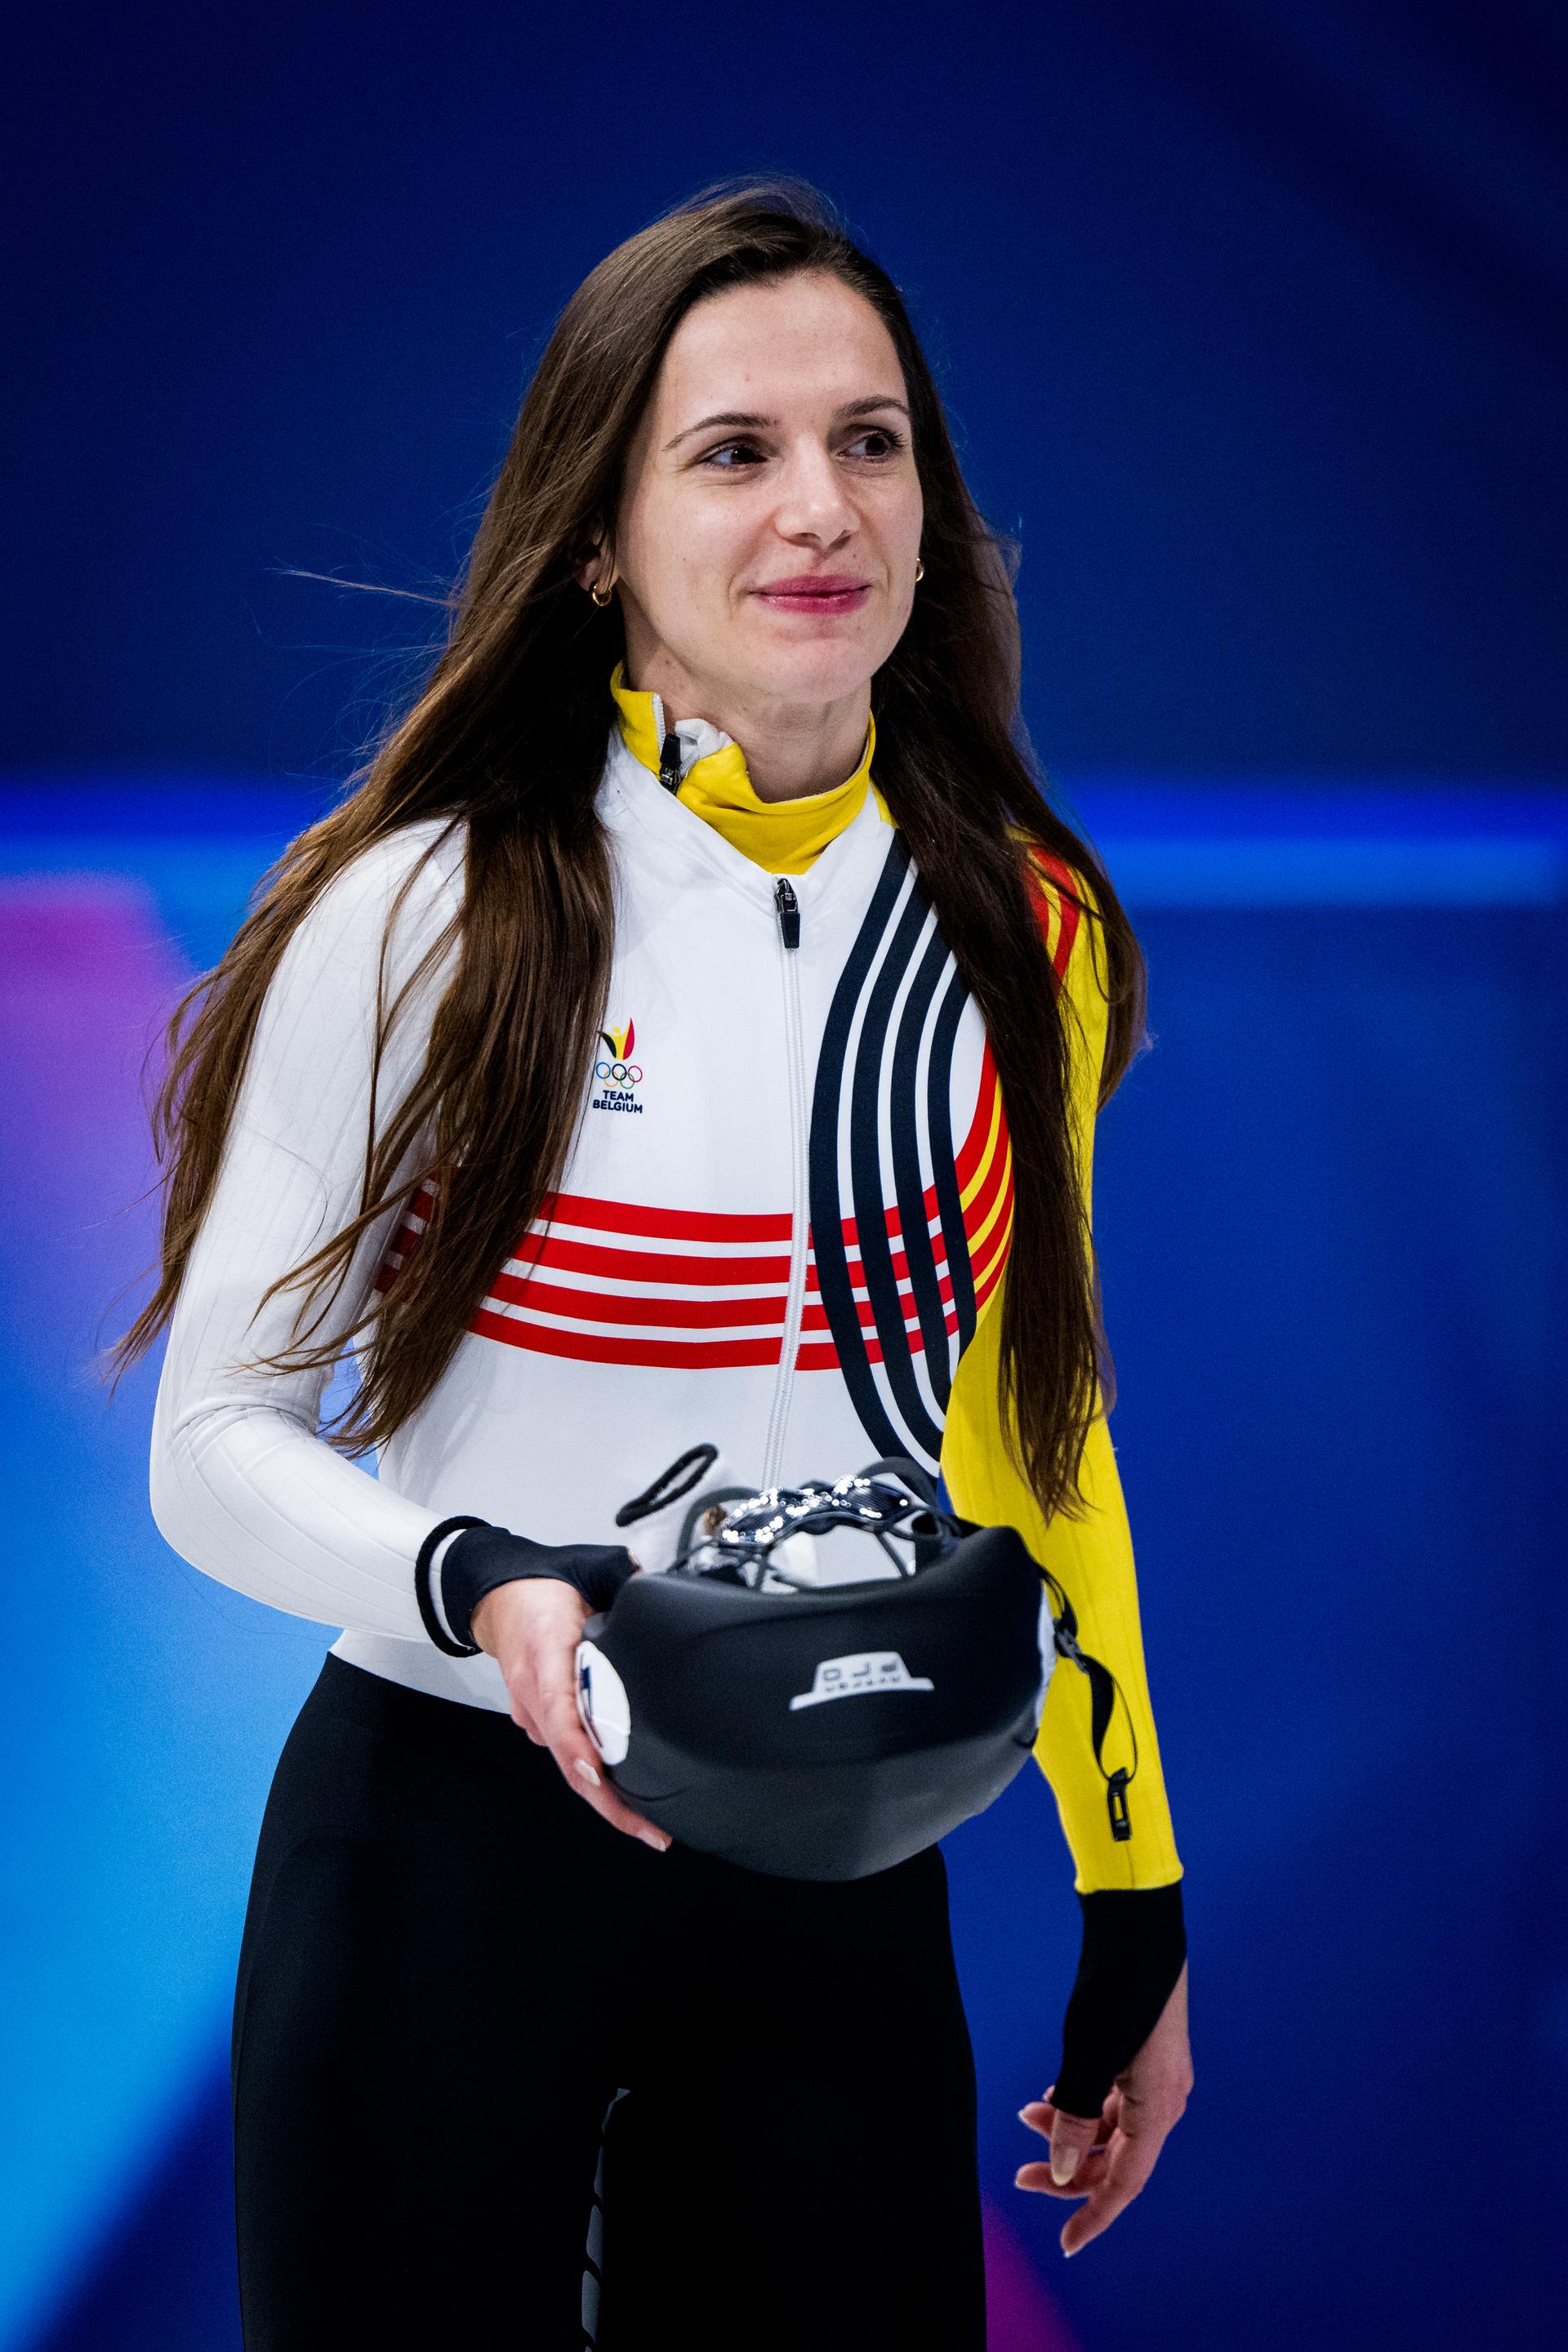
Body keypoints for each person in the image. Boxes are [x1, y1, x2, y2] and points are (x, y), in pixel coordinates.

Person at [122, 181, 1192, 2350]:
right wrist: (482, 1578)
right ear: (598, 534)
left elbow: (1036, 1437)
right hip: (440, 1865)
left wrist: (1134, 1890)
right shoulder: (422, 914)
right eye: (736, 450)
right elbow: (211, 1446)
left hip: (841, 1862)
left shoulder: (1026, 932)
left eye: (870, 441)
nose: (821, 508)